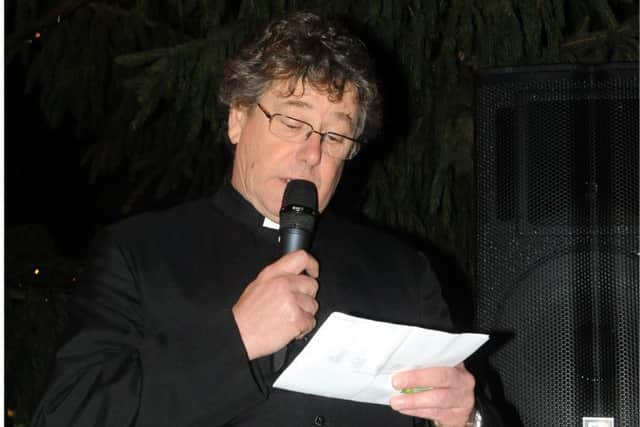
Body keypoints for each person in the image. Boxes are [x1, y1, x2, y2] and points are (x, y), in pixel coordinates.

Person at [32, 11, 498, 427]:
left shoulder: (404, 272)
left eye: (335, 136)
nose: (312, 153)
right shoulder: (139, 253)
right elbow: (68, 415)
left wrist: (467, 416)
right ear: (238, 118)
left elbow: (476, 406)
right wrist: (236, 340)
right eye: (292, 123)